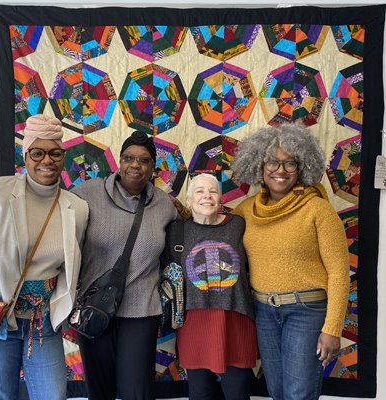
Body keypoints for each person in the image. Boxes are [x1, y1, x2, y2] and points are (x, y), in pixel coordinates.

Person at [0, 114, 89, 400]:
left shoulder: (77, 209)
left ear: (63, 156)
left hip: (42, 321)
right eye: (37, 152)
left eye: (54, 153)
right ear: (26, 155)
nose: (47, 160)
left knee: (53, 395)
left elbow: (72, 268)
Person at [231, 123, 350, 400]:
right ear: (259, 166)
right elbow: (213, 227)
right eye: (272, 162)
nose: (280, 171)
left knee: (299, 394)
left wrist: (332, 328)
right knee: (277, 391)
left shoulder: (318, 209)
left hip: (306, 312)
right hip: (263, 313)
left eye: (289, 163)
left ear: (302, 167)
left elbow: (339, 273)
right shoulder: (247, 210)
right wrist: (183, 211)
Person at [71, 130, 178, 400]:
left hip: (141, 310)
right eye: (129, 158)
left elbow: (184, 233)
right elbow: (51, 215)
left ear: (153, 168)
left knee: (136, 390)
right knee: (100, 389)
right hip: (94, 306)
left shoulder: (164, 205)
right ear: (119, 161)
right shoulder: (87, 193)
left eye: (144, 160)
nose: (135, 165)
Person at [162, 173, 257, 400]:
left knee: (238, 393)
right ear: (188, 200)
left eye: (213, 191)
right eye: (200, 191)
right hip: (194, 322)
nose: (207, 196)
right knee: (200, 393)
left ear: (221, 198)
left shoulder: (239, 225)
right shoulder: (176, 231)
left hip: (235, 319)